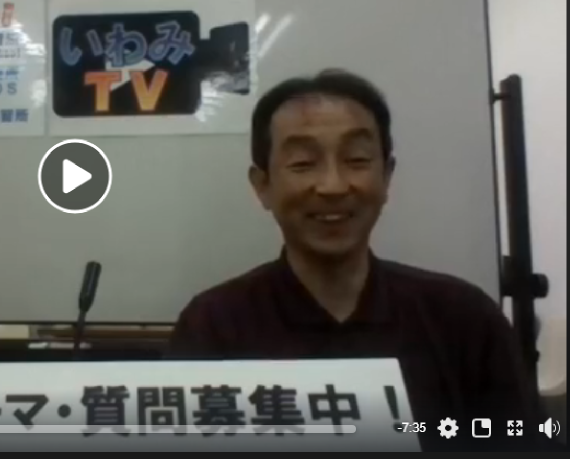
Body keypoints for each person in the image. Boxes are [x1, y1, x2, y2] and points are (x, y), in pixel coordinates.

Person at [169, 71, 544, 451]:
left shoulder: (465, 319)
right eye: (303, 163)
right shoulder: (214, 325)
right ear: (262, 185)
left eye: (357, 159)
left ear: (387, 175)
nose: (332, 186)